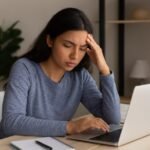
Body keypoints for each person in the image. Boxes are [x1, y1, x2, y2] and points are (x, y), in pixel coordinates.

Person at [0, 7, 120, 138]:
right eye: (67, 45)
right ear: (50, 40)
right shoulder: (24, 69)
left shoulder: (80, 76)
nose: (75, 56)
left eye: (82, 48)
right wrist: (71, 126)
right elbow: (11, 123)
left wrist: (104, 69)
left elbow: (112, 120)